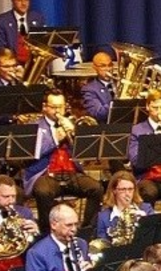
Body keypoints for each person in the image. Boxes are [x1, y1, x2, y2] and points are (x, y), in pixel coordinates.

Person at [25, 89, 104, 233]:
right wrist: (55, 139)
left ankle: (87, 229)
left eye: (60, 107)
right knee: (43, 192)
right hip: (46, 174)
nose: (57, 111)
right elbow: (33, 153)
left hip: (71, 173)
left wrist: (74, 132)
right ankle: (47, 231)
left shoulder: (70, 122)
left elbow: (84, 152)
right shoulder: (35, 127)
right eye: (54, 107)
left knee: (96, 188)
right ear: (45, 107)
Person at [94, 171, 154, 247]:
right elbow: (102, 244)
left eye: (130, 189)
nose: (127, 193)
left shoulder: (146, 209)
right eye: (123, 189)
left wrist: (145, 220)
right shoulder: (103, 216)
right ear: (114, 190)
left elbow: (154, 238)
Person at [0, 0, 46, 64]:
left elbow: (42, 45)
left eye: (26, 0)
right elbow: (0, 48)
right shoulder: (2, 20)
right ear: (12, 1)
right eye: (19, 0)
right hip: (13, 64)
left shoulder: (38, 18)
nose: (24, 3)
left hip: (34, 64)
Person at [80, 50, 117, 122]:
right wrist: (119, 102)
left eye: (110, 65)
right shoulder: (89, 89)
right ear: (94, 67)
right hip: (105, 128)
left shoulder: (119, 83)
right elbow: (98, 113)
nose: (108, 69)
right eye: (103, 66)